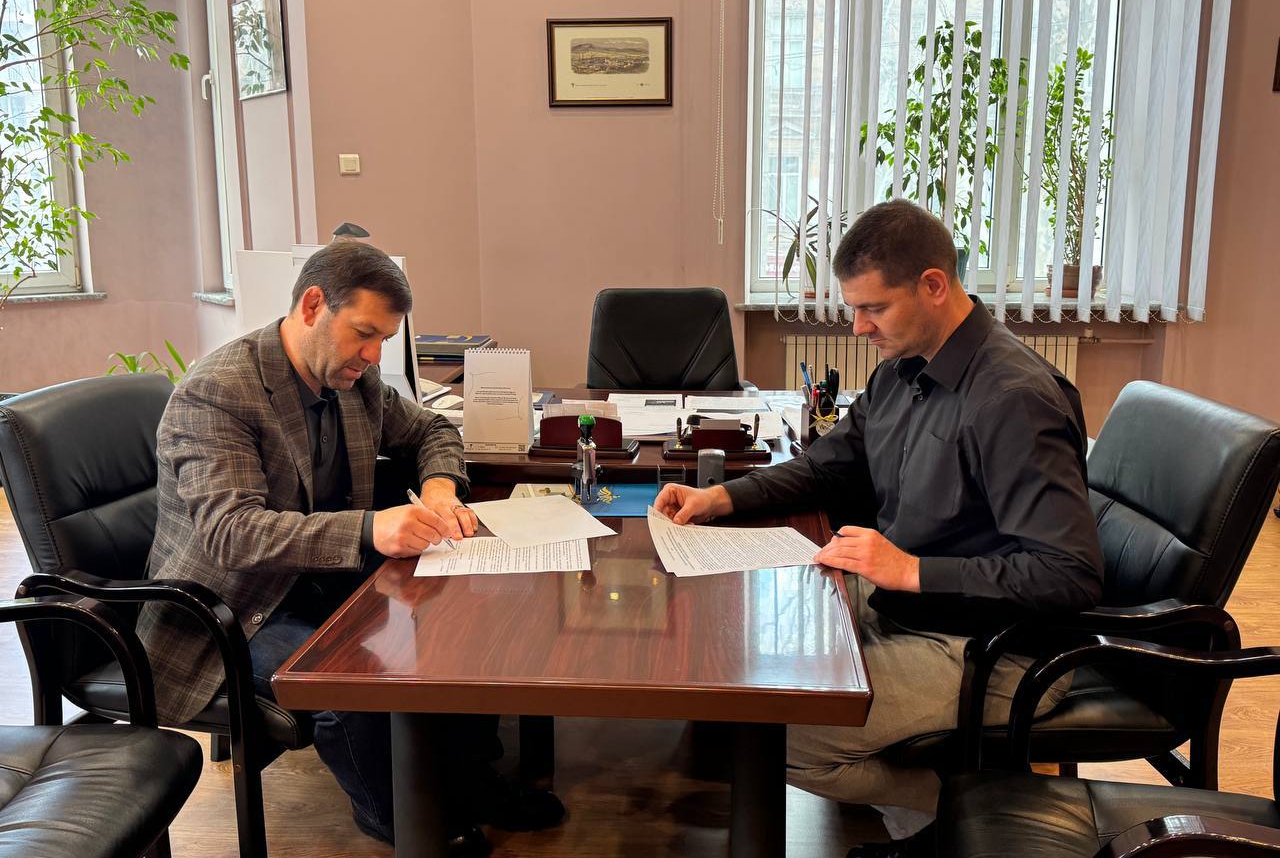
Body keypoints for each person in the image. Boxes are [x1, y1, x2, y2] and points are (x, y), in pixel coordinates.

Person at [656, 200, 1102, 857]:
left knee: (765, 734)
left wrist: (911, 570)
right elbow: (828, 466)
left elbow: (1069, 575)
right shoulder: (902, 370)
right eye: (854, 309)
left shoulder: (1013, 399)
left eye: (874, 308)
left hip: (995, 646)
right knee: (735, 663)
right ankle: (937, 808)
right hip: (909, 608)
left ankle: (982, 818)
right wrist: (721, 497)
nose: (859, 327)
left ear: (933, 285)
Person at [137, 240, 563, 853]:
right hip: (233, 608)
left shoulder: (350, 380)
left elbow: (433, 429)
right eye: (364, 334)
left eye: (384, 339)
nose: (374, 354)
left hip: (320, 579)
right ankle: (398, 818)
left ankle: (469, 782)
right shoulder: (219, 392)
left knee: (460, 622)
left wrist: (440, 486)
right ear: (312, 305)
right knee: (356, 679)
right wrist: (370, 529)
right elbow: (232, 532)